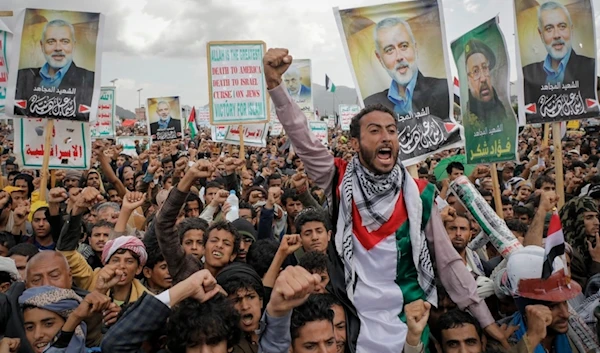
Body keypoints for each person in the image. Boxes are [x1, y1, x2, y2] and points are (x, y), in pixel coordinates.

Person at [263, 48, 505, 353]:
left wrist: (487, 322)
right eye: (374, 131)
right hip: (354, 324)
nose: (386, 137)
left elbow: (448, 263)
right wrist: (275, 85)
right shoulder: (337, 179)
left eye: (392, 131)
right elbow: (304, 140)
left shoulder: (419, 193)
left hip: (410, 323)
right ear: (355, 143)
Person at [363, 17, 449, 119]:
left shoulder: (444, 90)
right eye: (389, 50)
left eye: (404, 46)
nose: (399, 57)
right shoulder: (370, 106)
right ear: (380, 58)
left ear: (415, 48)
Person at [14, 19, 95, 121]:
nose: (58, 48)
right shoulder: (22, 77)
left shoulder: (90, 80)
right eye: (51, 42)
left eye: (65, 42)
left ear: (74, 45)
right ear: (42, 46)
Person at [522, 1, 596, 108]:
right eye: (549, 29)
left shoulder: (589, 67)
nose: (556, 35)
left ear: (571, 29)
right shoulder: (528, 74)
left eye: (562, 26)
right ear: (541, 34)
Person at [463, 39, 510, 122]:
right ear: (468, 80)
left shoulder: (502, 110)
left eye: (485, 68)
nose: (483, 79)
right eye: (475, 71)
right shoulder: (470, 123)